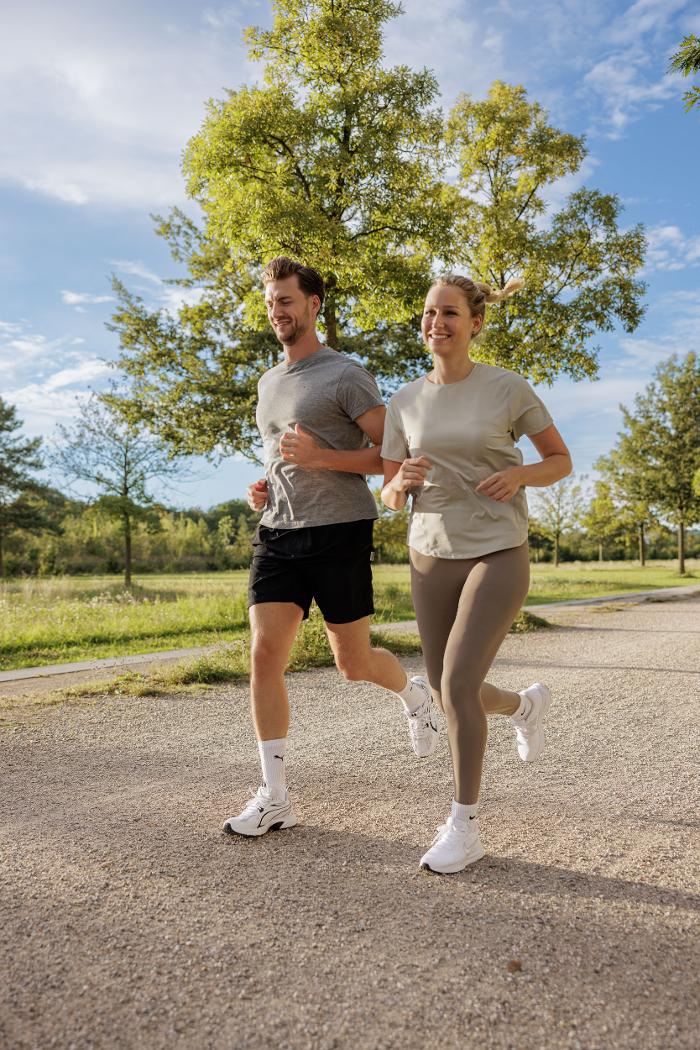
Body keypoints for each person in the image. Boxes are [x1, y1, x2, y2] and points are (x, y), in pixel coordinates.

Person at [223, 256, 438, 838]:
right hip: (278, 532)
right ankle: (275, 796)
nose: (277, 312)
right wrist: (262, 488)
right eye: (270, 302)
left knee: (352, 662)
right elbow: (280, 454)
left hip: (339, 531)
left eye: (286, 301)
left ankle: (413, 692)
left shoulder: (346, 374)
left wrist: (321, 459)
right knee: (265, 654)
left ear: (313, 305)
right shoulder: (269, 383)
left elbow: (392, 459)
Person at [381, 274, 572, 873]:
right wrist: (398, 485)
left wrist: (518, 476)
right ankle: (523, 707)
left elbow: (560, 460)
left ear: (476, 322)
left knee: (458, 684)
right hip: (430, 551)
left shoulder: (508, 389)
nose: (436, 322)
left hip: (497, 548)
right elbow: (386, 491)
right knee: (443, 691)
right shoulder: (404, 400)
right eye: (429, 312)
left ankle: (464, 825)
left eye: (450, 313)